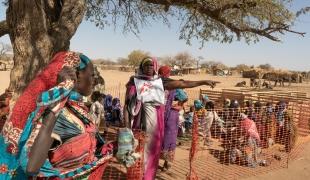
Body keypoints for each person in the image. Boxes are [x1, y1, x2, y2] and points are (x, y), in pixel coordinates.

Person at [0, 51, 114, 179]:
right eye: (92, 75)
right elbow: (31, 166)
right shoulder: (59, 114)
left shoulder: (77, 109)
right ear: (75, 76)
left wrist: (115, 147)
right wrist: (57, 102)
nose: (95, 80)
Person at [123, 56, 218, 180]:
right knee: (136, 157)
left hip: (156, 126)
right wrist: (126, 128)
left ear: (155, 67)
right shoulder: (134, 82)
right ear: (141, 67)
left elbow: (182, 83)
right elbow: (127, 106)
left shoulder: (160, 81)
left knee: (151, 157)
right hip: (138, 126)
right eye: (146, 65)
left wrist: (203, 82)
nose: (149, 68)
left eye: (151, 65)